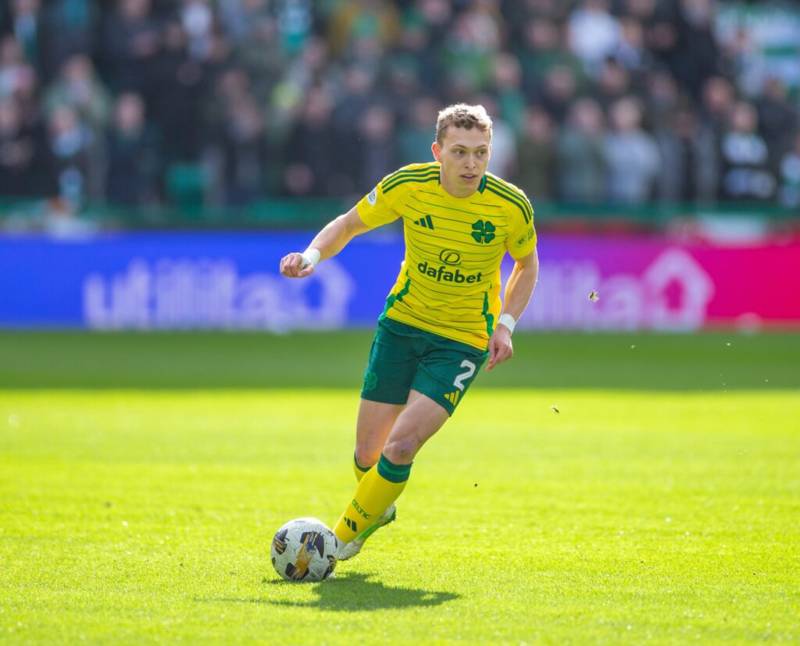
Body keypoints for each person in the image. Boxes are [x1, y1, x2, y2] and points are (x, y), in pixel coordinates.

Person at [279, 103, 539, 561]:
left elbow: (527, 263)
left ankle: (334, 543)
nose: (471, 164)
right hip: (401, 326)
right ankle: (376, 508)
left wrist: (506, 325)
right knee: (367, 455)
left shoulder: (510, 205)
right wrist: (311, 256)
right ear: (437, 152)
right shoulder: (408, 185)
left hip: (461, 341)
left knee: (400, 446)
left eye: (481, 153)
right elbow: (350, 224)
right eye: (460, 152)